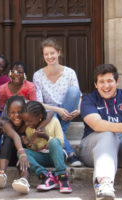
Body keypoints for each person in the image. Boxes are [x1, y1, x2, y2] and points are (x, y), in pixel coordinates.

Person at [80, 64, 122, 199]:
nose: (106, 86)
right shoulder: (88, 99)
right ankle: (103, 185)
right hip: (93, 150)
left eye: (110, 81)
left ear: (117, 81)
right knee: (107, 135)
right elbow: (96, 124)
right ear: (95, 84)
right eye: (101, 82)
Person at [33, 38, 82, 167]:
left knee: (73, 91)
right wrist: (57, 110)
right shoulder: (38, 75)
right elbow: (39, 103)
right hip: (50, 111)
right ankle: (70, 153)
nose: (50, 57)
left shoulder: (70, 72)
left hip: (67, 108)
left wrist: (79, 108)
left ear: (59, 53)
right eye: (46, 54)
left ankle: (60, 140)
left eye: (52, 53)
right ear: (43, 56)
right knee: (51, 117)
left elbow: (78, 95)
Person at [0, 96, 53, 194]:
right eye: (12, 112)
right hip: (10, 157)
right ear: (8, 113)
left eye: (20, 112)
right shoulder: (7, 125)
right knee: (9, 139)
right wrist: (22, 153)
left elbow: (50, 113)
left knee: (24, 152)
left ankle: (24, 179)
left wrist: (37, 131)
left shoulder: (28, 123)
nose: (16, 115)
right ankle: (2, 172)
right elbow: (15, 136)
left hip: (24, 158)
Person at [21, 101, 72, 193]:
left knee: (54, 141)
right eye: (25, 121)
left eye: (29, 121)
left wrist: (46, 137)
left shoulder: (54, 122)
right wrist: (28, 143)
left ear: (40, 117)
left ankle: (62, 177)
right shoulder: (29, 129)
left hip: (58, 156)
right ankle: (44, 174)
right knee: (22, 152)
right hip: (43, 157)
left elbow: (61, 143)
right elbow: (34, 149)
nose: (27, 124)